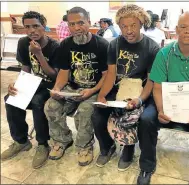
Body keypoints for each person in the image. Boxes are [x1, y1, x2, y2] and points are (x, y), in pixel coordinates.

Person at [137, 11, 189, 185]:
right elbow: (157, 88)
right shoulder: (164, 54)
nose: (187, 31)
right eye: (183, 27)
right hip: (166, 101)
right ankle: (146, 166)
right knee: (146, 119)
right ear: (176, 30)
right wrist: (160, 109)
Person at [92, 4, 160, 172]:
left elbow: (151, 81)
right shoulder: (114, 45)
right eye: (124, 26)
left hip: (139, 90)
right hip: (119, 88)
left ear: (141, 24)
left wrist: (140, 99)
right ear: (119, 27)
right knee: (98, 116)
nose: (129, 30)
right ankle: (107, 147)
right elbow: (111, 74)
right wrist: (102, 95)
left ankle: (128, 148)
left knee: (128, 116)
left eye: (133, 25)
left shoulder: (152, 47)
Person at [44, 6, 109, 166]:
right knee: (51, 106)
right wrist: (58, 88)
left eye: (80, 23)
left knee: (85, 111)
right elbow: (64, 72)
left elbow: (107, 76)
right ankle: (62, 140)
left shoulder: (101, 45)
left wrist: (92, 91)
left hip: (94, 88)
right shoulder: (65, 44)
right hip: (72, 89)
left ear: (88, 21)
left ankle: (84, 146)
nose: (76, 28)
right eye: (71, 24)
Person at [1, 11, 59, 169]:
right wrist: (17, 85)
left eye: (36, 26)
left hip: (53, 85)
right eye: (27, 27)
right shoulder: (23, 43)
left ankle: (42, 144)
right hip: (34, 82)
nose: (32, 30)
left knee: (38, 101)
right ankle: (21, 141)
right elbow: (26, 69)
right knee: (11, 99)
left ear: (44, 26)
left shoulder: (55, 46)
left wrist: (39, 54)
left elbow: (55, 76)